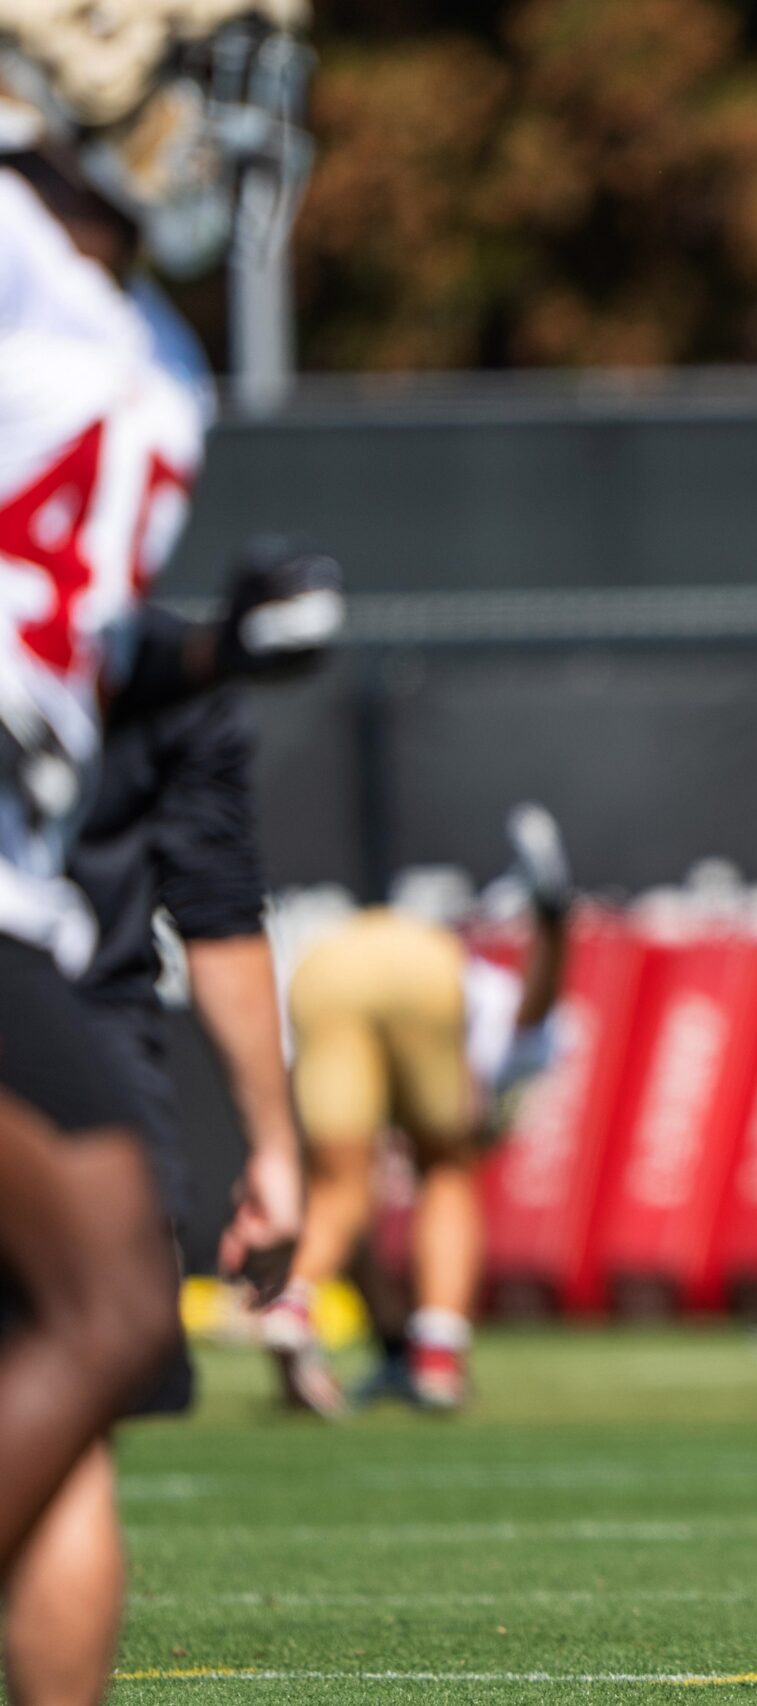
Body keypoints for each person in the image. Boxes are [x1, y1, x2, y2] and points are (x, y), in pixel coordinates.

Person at [0, 3, 338, 1694]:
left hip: (21, 886)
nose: (236, 134)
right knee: (113, 1307)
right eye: (214, 88)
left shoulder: (152, 353)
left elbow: (61, 643)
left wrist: (210, 654)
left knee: (87, 1340)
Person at [6, 608, 309, 1706]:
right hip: (69, 1036)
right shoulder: (150, 654)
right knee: (88, 1384)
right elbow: (218, 908)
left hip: (62, 1021)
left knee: (90, 1356)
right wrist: (273, 1146)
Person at [261, 805, 572, 1415]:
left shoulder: (485, 1007)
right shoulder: (513, 1029)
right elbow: (538, 1007)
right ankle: (438, 1358)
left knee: (339, 1188)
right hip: (422, 966)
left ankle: (294, 1306)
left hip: (325, 963)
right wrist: (557, 926)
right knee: (448, 1171)